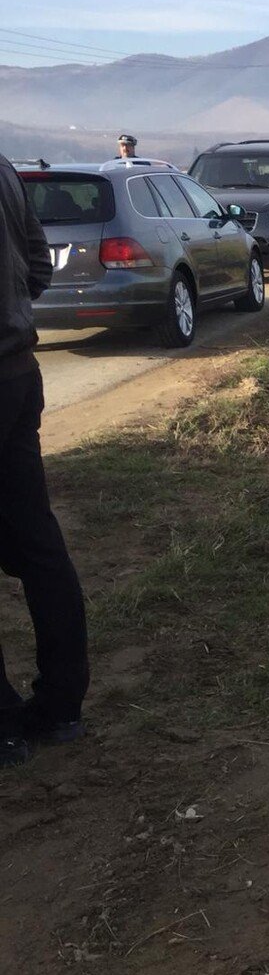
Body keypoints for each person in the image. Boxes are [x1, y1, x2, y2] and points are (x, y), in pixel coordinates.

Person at [0, 151, 89, 767]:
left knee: (37, 544)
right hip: (15, 373)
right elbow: (38, 262)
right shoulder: (4, 169)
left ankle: (4, 726)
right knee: (38, 544)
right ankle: (61, 704)